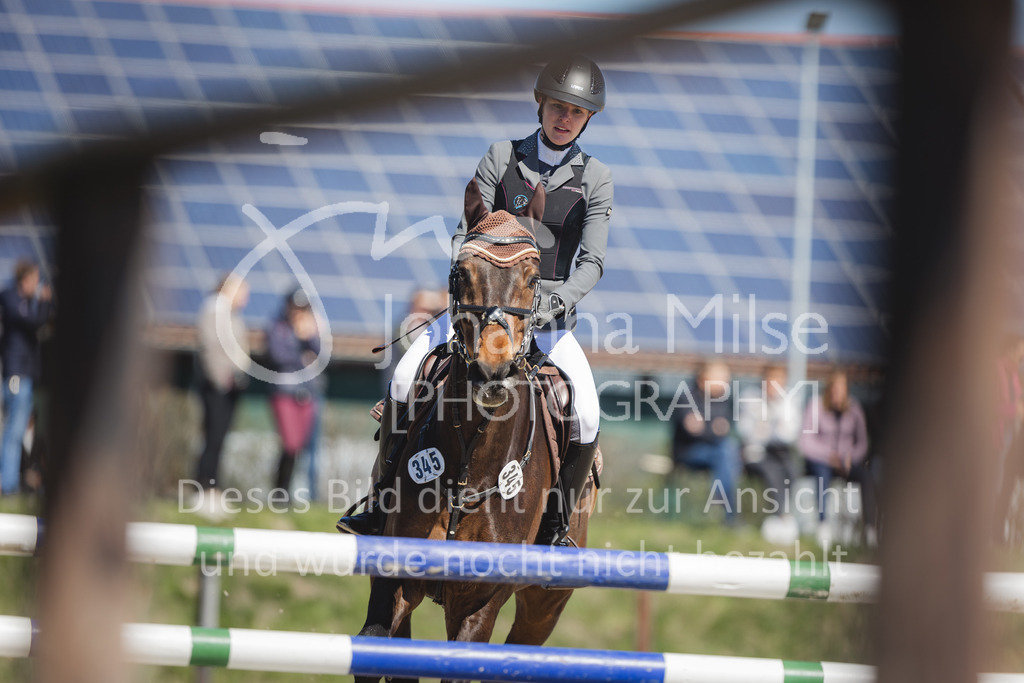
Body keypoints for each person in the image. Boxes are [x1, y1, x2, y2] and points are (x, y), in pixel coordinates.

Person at [338, 54, 613, 544]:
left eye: (576, 112)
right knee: (404, 377)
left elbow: (590, 262)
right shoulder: (500, 157)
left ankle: (556, 527)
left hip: (546, 322)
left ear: (587, 118)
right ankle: (381, 502)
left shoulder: (596, 179)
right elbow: (465, 235)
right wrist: (473, 289)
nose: (564, 118)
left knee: (587, 411)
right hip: (481, 310)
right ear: (541, 105)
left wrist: (550, 303)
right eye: (557, 107)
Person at [798, 367, 877, 546]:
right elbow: (805, 442)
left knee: (867, 477)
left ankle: (870, 528)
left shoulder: (855, 409)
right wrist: (829, 456)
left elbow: (863, 443)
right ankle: (822, 523)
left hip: (848, 462)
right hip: (820, 462)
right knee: (822, 473)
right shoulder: (815, 405)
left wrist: (850, 458)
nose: (837, 394)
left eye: (841, 390)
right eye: (834, 389)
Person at [193, 274, 250, 516]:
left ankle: (213, 487)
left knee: (219, 439)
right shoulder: (214, 311)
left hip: (229, 386)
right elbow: (211, 347)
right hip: (217, 386)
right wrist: (222, 379)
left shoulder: (229, 313)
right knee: (213, 438)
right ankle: (204, 488)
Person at [0, 260, 52, 496]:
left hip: (25, 373)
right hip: (16, 374)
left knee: (17, 430)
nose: (38, 285)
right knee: (13, 430)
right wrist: (44, 304)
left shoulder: (22, 302)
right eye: (35, 279)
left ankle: (10, 481)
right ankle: (7, 484)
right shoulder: (11, 299)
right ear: (26, 279)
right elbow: (35, 322)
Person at [266, 288, 321, 503]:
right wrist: (301, 356)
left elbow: (321, 356)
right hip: (284, 391)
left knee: (299, 445)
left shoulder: (311, 329)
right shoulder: (276, 327)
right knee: (289, 443)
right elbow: (278, 356)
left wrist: (309, 337)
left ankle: (288, 494)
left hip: (306, 393)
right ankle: (280, 493)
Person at [736, 364, 801, 542]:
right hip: (755, 455)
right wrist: (771, 431)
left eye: (779, 381)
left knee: (791, 470)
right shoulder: (750, 398)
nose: (774, 386)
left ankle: (780, 516)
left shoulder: (789, 401)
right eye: (771, 381)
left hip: (781, 453)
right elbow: (745, 430)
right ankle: (781, 517)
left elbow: (790, 433)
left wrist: (768, 430)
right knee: (772, 471)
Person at [672, 361, 742, 524]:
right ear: (705, 377)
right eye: (722, 378)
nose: (726, 382)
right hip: (688, 453)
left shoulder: (721, 401)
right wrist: (713, 429)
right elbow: (694, 431)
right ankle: (728, 514)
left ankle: (721, 505)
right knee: (727, 452)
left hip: (716, 452)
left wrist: (706, 428)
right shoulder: (686, 397)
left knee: (727, 451)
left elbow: (720, 430)